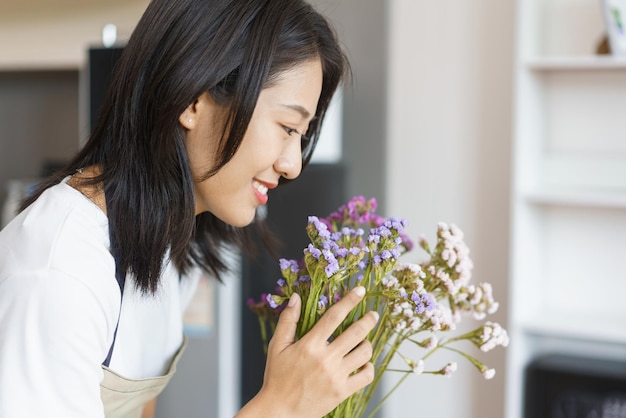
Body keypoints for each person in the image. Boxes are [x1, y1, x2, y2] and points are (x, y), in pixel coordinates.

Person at [0, 0, 380, 417]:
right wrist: (282, 406)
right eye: (287, 127)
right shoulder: (59, 272)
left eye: (301, 135)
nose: (292, 164)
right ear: (192, 101)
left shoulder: (167, 245)